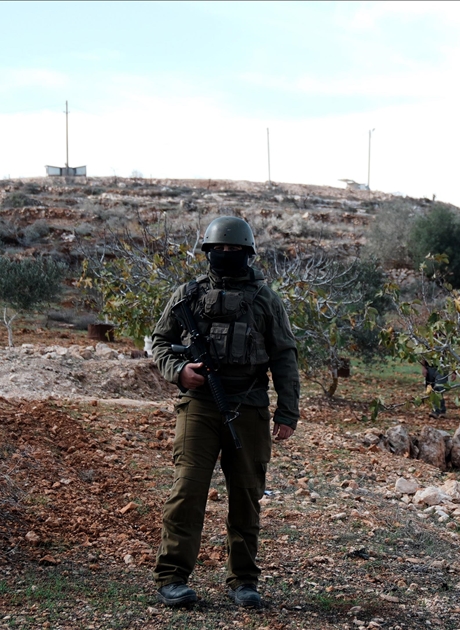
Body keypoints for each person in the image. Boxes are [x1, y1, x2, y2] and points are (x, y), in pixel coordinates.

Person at [150, 216, 300, 609]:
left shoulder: (266, 298)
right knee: (188, 489)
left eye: (235, 251)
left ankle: (244, 581)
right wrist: (180, 372)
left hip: (248, 406)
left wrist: (287, 412)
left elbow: (284, 355)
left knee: (246, 495)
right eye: (219, 250)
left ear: (248, 254)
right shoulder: (186, 295)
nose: (226, 255)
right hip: (199, 407)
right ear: (208, 253)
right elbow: (160, 343)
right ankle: (172, 577)